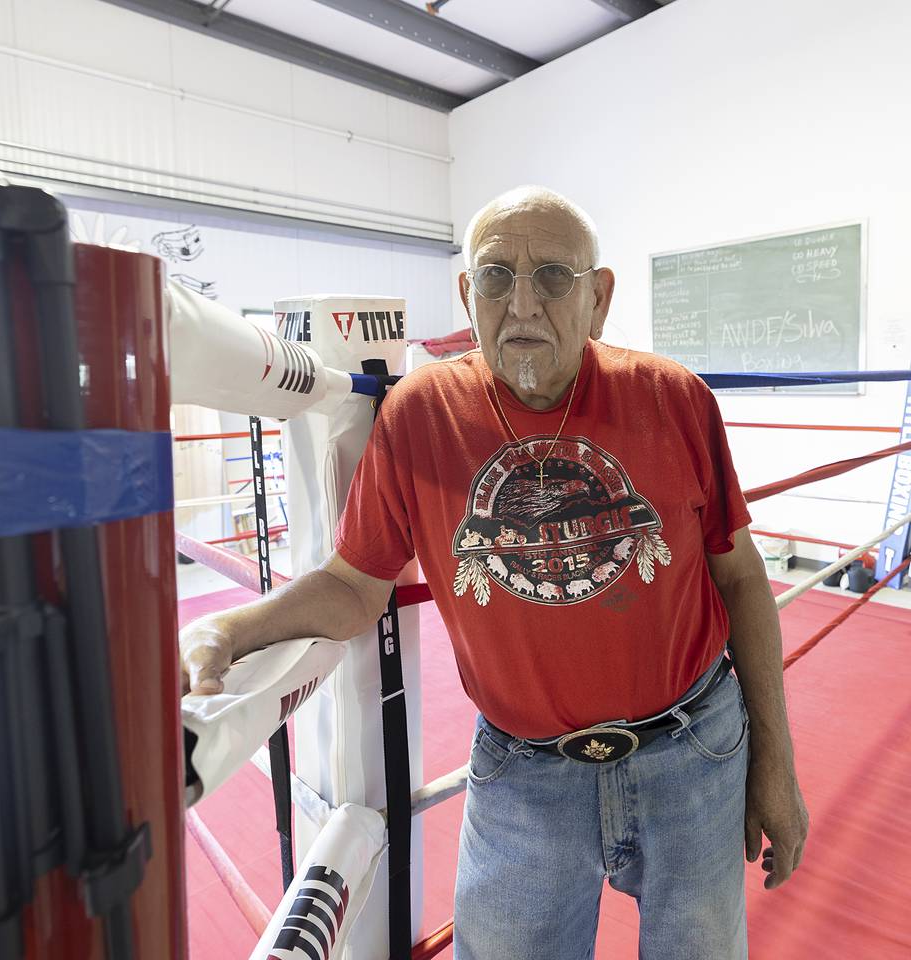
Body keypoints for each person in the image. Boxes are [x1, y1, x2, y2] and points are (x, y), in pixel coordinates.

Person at [180, 186, 809, 959]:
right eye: (495, 277)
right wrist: (227, 628)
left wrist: (775, 761)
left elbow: (742, 578)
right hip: (524, 776)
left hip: (693, 751)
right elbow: (354, 585)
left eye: (552, 276)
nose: (522, 305)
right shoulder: (420, 416)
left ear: (599, 297)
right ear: (466, 294)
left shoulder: (673, 399)